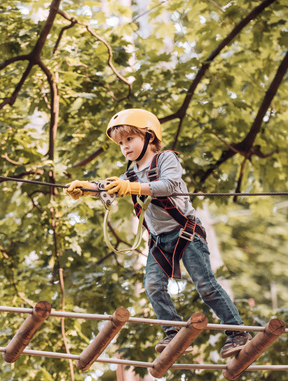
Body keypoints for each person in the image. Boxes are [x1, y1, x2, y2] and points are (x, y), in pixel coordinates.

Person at [65, 108, 252, 357]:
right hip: (159, 240)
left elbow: (169, 185)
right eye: (120, 143)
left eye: (129, 139)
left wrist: (130, 186)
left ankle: (238, 332)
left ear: (149, 137)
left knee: (205, 285)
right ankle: (173, 332)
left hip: (186, 233)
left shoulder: (165, 159)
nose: (124, 147)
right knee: (153, 285)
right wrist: (86, 188)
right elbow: (107, 187)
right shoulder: (129, 175)